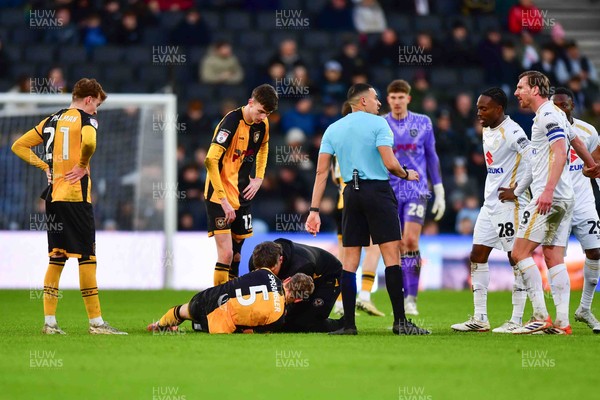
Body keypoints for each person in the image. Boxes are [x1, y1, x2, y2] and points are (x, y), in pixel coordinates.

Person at [305, 83, 429, 335]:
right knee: (391, 255)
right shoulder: (379, 124)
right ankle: (400, 323)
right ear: (362, 101)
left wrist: (314, 210)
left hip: (350, 194)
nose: (379, 103)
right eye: (375, 98)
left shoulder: (333, 129)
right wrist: (407, 174)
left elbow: (321, 173)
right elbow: (390, 162)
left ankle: (349, 325)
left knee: (349, 260)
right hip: (377, 192)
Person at [11, 78, 126, 335]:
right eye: (96, 103)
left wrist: (45, 167)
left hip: (53, 197)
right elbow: (89, 143)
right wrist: (83, 163)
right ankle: (96, 323)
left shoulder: (51, 120)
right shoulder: (87, 119)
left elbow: (18, 145)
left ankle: (49, 323)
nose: (96, 109)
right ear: (88, 99)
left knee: (57, 257)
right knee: (87, 258)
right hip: (75, 196)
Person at [510, 71, 599, 334]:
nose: (516, 92)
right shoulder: (556, 114)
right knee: (552, 256)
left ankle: (539, 315)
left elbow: (561, 152)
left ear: (535, 89)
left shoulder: (548, 116)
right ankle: (562, 322)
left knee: (519, 253)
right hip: (566, 198)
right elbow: (577, 141)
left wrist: (547, 191)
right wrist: (591, 165)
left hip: (550, 198)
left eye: (520, 87)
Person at [451, 87, 532, 333]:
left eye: (483, 108)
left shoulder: (514, 132)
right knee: (477, 255)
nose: (479, 113)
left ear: (499, 109)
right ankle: (480, 318)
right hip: (490, 204)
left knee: (515, 258)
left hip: (511, 205)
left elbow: (532, 158)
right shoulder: (487, 128)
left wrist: (517, 190)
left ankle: (516, 320)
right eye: (477, 108)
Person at [148, 241, 315, 334]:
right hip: (217, 326)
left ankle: (161, 325)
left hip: (206, 298)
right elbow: (249, 333)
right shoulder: (278, 319)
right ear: (299, 299)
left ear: (287, 280)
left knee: (182, 311)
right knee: (234, 325)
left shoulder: (265, 272)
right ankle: (198, 325)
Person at [204, 84, 278, 286]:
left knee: (237, 256)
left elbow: (264, 147)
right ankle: (216, 305)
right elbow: (210, 160)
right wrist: (223, 201)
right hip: (218, 195)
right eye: (261, 111)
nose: (263, 117)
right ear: (250, 102)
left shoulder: (263, 125)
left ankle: (231, 302)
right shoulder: (231, 122)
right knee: (226, 254)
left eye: (268, 113)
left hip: (242, 194)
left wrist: (259, 177)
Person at [384, 79, 445, 315]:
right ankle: (401, 295)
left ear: (408, 98)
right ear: (388, 99)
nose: (397, 101)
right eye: (393, 97)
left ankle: (412, 298)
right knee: (396, 244)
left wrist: (439, 190)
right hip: (389, 191)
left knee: (410, 240)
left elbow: (432, 156)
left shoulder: (423, 122)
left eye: (401, 97)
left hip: (416, 191)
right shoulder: (380, 124)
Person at [551, 88, 600, 333]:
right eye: (556, 105)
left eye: (564, 105)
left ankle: (584, 309)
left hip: (583, 202)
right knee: (555, 258)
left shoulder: (588, 132)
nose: (560, 109)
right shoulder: (545, 130)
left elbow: (596, 167)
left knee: (596, 251)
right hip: (558, 202)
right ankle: (560, 317)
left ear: (572, 106)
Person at [248, 238, 343, 332]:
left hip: (327, 276)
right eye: (261, 271)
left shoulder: (301, 266)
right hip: (308, 273)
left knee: (304, 323)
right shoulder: (255, 262)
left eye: (271, 270)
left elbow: (298, 300)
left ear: (281, 260)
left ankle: (343, 324)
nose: (267, 274)